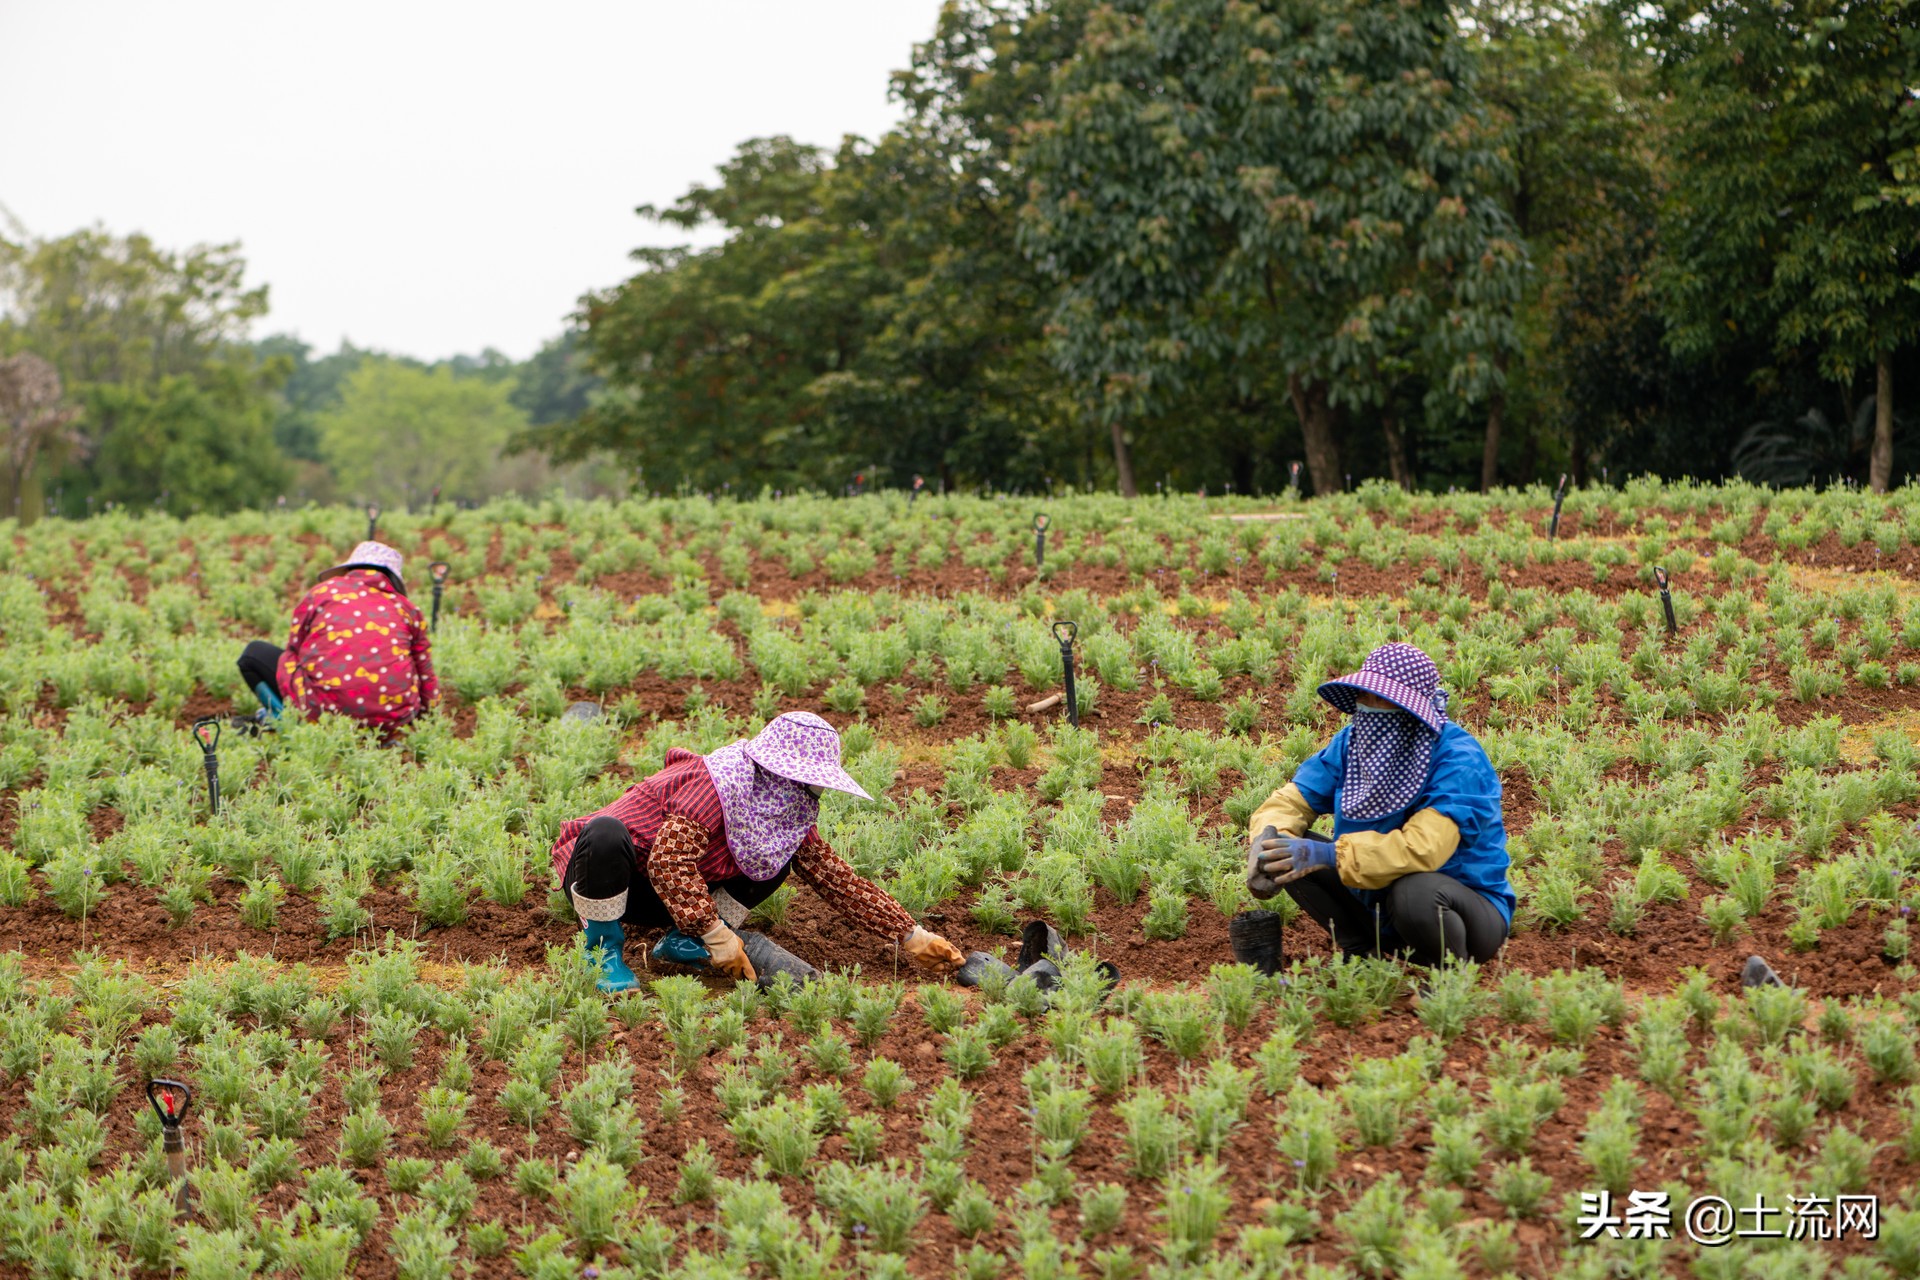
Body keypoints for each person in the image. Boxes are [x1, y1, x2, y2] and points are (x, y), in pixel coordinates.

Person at [550, 711, 967, 992]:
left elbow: (835, 878)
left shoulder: (782, 814)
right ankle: (602, 952)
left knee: (777, 860)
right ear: (781, 773)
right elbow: (668, 861)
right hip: (607, 879)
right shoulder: (715, 785)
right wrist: (717, 932)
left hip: (674, 897)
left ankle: (682, 942)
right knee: (606, 832)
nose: (818, 791)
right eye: (813, 780)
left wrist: (910, 934)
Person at [1245, 642, 1512, 965]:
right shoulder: (1352, 743)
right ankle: (1361, 955)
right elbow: (1293, 800)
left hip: (1462, 915)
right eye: (1363, 696)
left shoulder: (1457, 758)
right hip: (1378, 903)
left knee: (1415, 892)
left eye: (1380, 699)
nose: (1368, 708)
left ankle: (1449, 977)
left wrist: (1331, 854)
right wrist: (1267, 837)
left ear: (1410, 709)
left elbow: (1424, 848)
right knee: (1284, 847)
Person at [236, 540, 438, 733]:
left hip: (326, 713)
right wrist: (430, 720)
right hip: (392, 721)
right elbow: (425, 672)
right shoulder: (407, 609)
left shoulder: (323, 592)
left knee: (253, 654)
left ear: (350, 569)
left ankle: (287, 725)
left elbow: (295, 648)